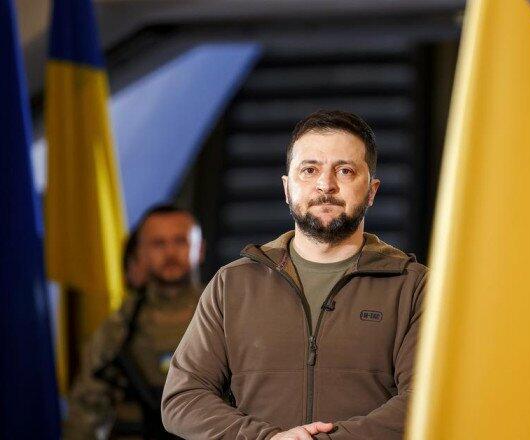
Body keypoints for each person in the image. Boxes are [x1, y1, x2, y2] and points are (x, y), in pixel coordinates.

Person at [161, 110, 428, 439]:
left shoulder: (414, 287)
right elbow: (183, 398)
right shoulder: (233, 284)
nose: (326, 185)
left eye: (345, 171)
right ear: (287, 188)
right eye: (309, 170)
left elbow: (427, 398)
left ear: (371, 191)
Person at [64, 205, 205, 439]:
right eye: (158, 243)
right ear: (140, 253)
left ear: (199, 249)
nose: (170, 252)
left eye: (180, 241)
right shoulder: (118, 327)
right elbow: (86, 409)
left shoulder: (225, 315)